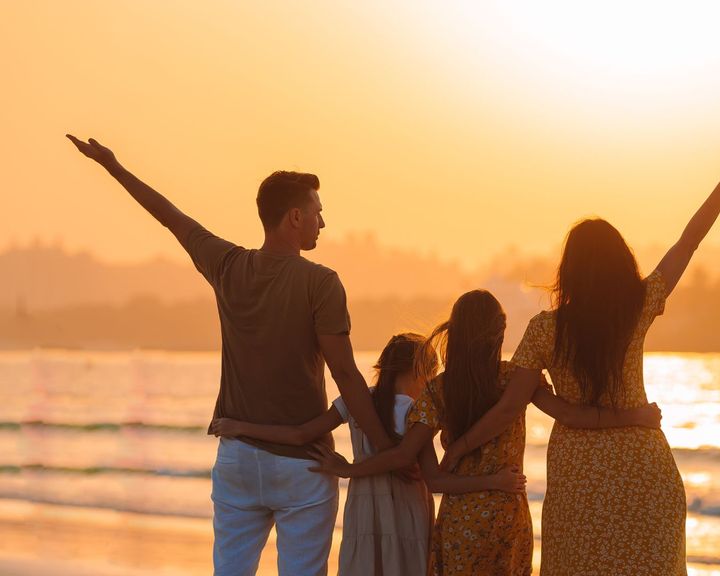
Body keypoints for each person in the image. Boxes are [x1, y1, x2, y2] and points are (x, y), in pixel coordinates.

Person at [440, 133, 720, 574]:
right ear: (620, 261)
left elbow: (505, 410)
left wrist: (458, 447)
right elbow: (688, 242)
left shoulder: (546, 329)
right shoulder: (639, 307)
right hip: (645, 469)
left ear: (569, 268)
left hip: (580, 479)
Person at [67, 135, 396, 576]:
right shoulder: (321, 282)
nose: (324, 222)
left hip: (237, 458)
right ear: (295, 217)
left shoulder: (227, 264)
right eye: (318, 212)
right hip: (301, 467)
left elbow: (171, 218)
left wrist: (113, 166)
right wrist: (384, 451)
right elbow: (347, 376)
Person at [308, 290, 662, 575]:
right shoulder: (516, 381)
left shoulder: (438, 391)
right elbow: (571, 414)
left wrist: (347, 469)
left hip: (460, 526)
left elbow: (430, 477)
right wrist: (635, 415)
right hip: (508, 523)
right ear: (500, 335)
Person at [210, 333, 527, 575]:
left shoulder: (356, 400)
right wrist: (492, 477)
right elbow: (433, 477)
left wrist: (240, 426)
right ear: (421, 371)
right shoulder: (420, 411)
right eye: (431, 376)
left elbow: (300, 434)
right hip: (407, 511)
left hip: (363, 510)